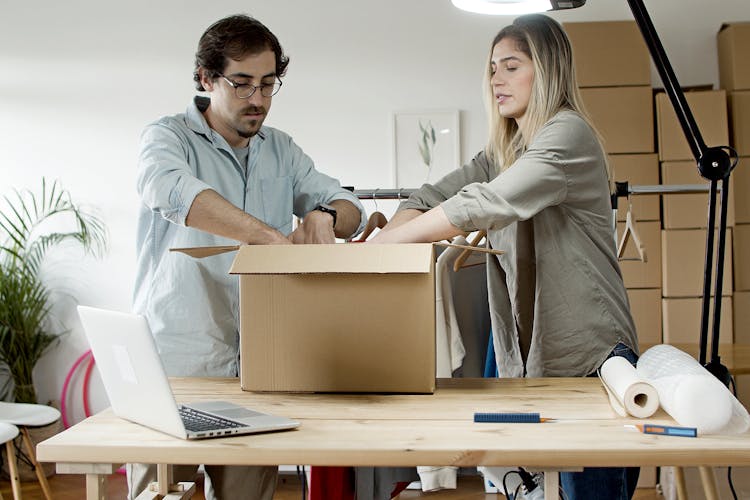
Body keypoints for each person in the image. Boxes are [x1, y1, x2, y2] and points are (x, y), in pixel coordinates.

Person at [370, 13, 640, 500]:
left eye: (511, 66)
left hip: (592, 360)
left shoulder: (568, 136)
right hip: (538, 361)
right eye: (492, 67)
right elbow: (433, 195)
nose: (496, 79)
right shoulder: (505, 149)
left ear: (547, 69)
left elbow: (483, 204)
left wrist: (391, 245)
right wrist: (393, 227)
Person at [132, 14, 365, 500]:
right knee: (157, 494)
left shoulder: (281, 149)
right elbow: (170, 190)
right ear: (205, 78)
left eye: (267, 84)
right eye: (241, 84)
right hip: (176, 362)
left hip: (258, 365)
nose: (257, 99)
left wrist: (324, 215)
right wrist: (271, 240)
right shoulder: (167, 138)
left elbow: (350, 207)